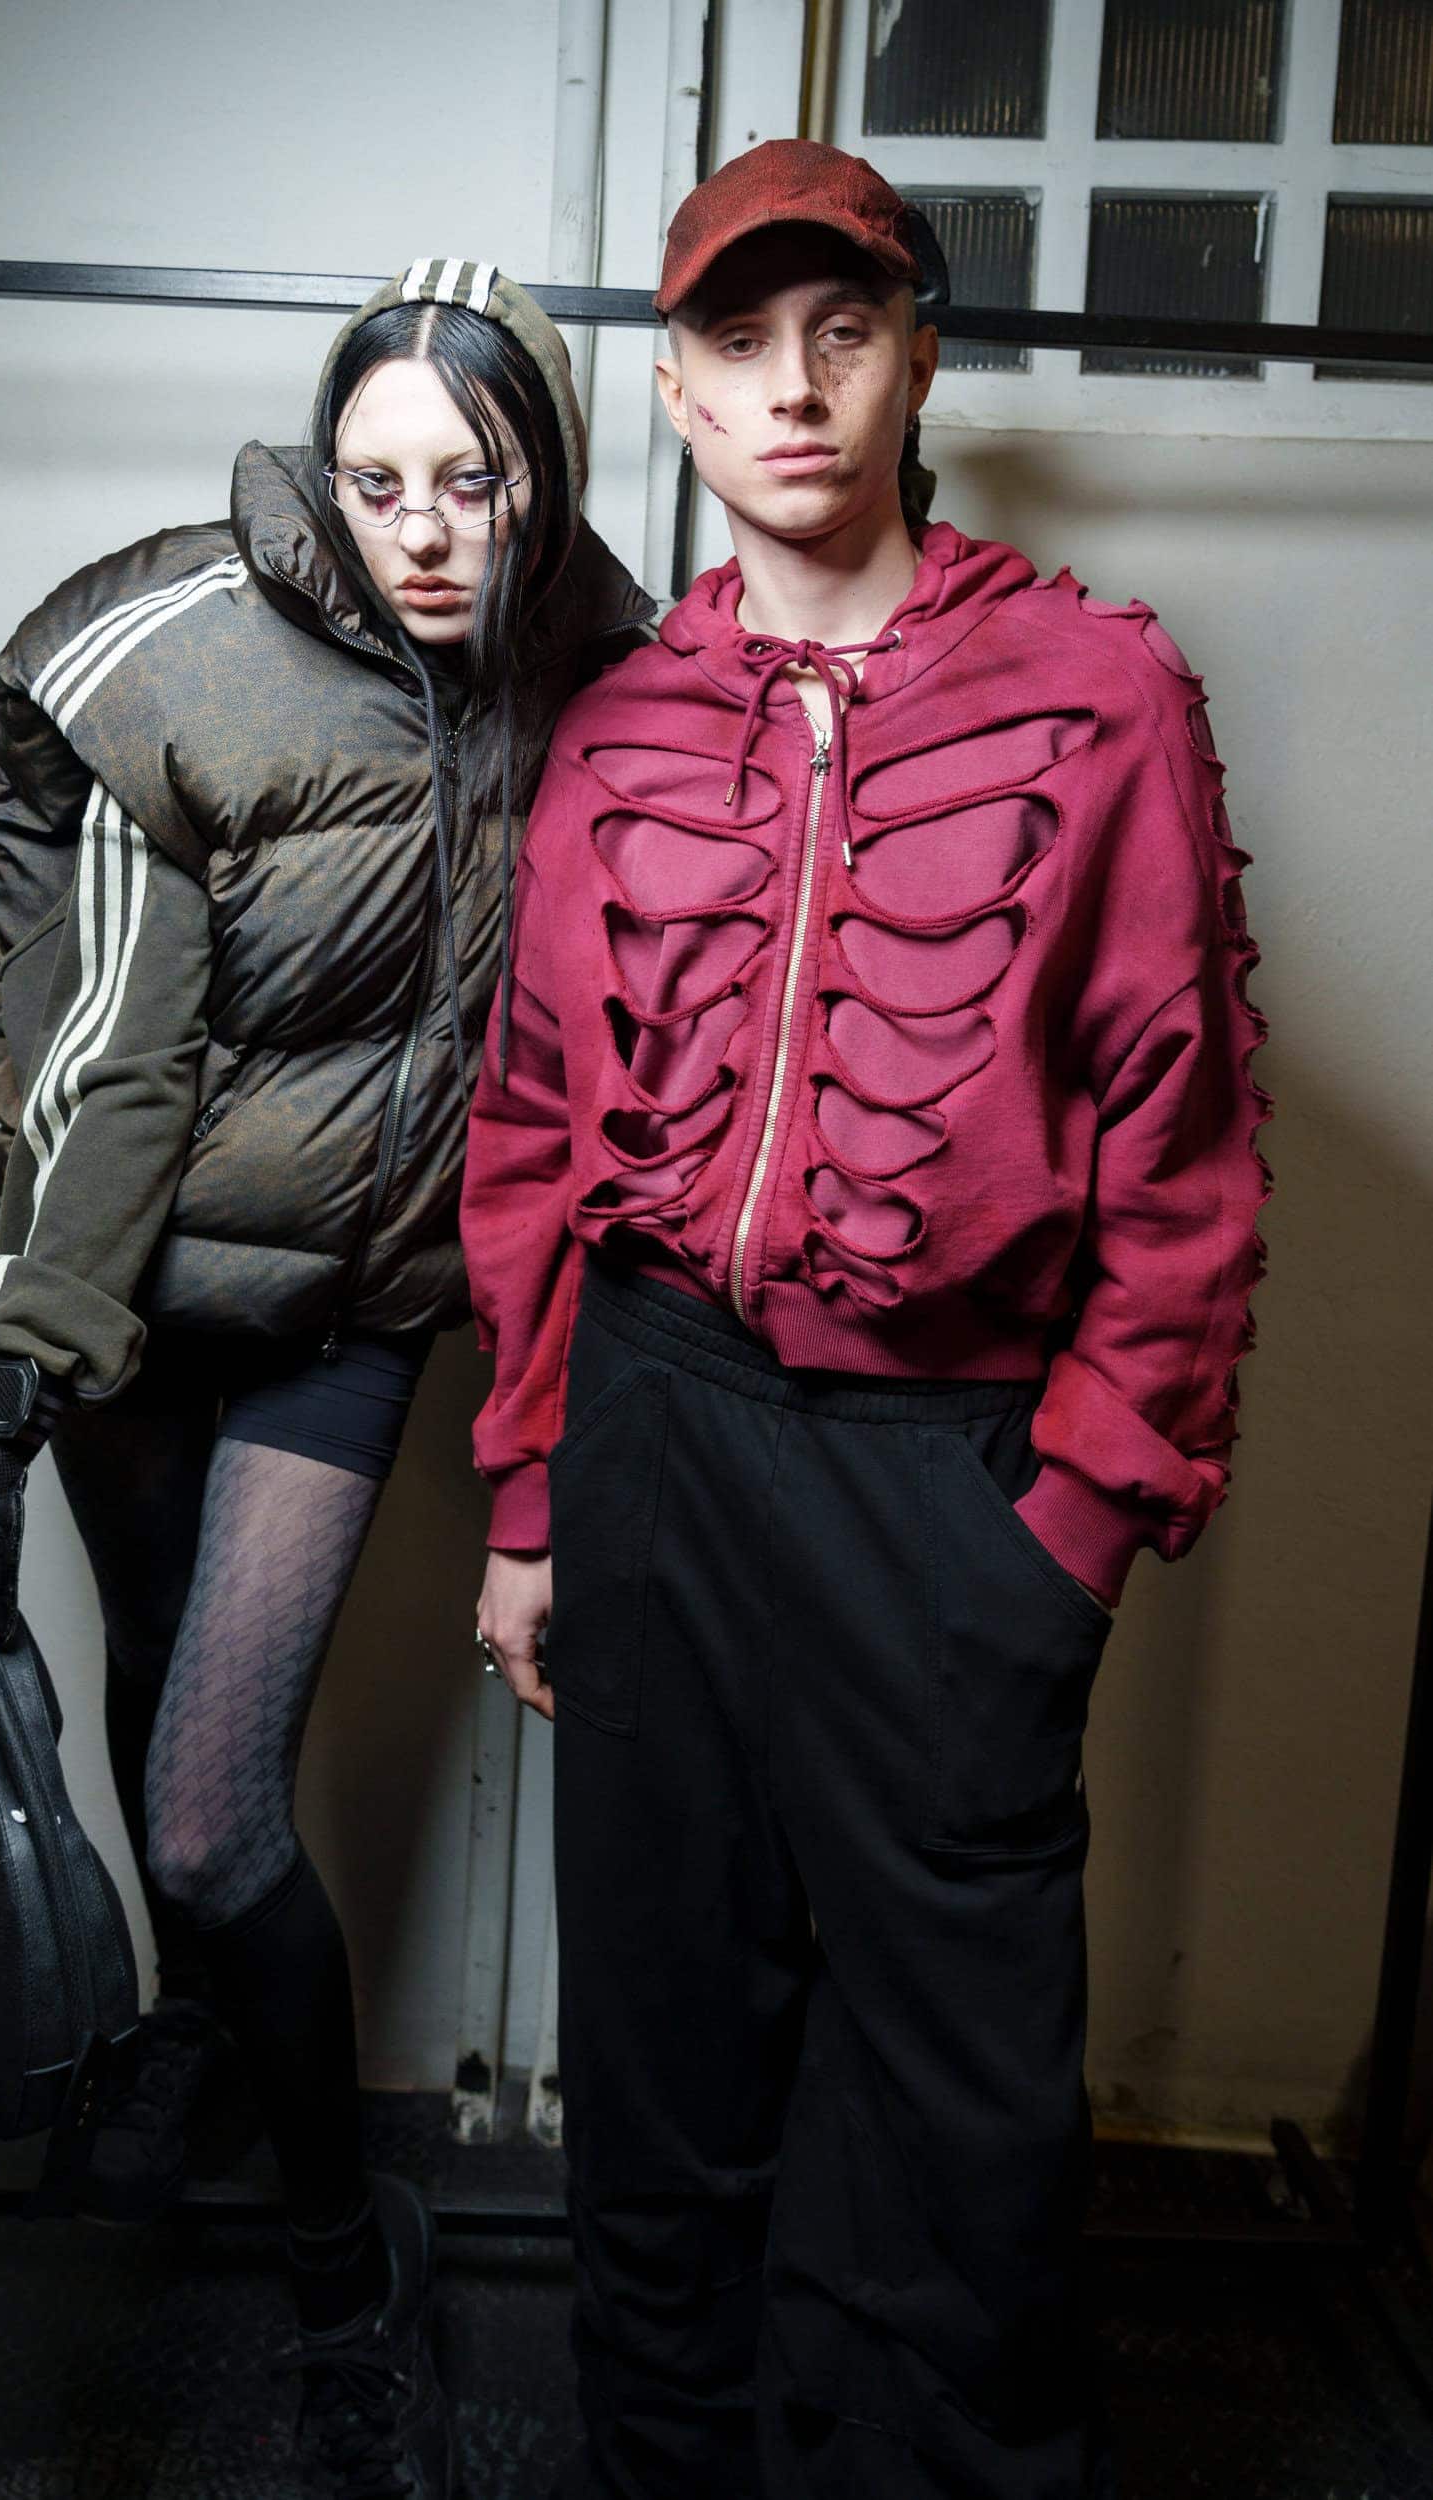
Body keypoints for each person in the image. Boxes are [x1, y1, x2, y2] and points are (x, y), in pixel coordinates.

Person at [466, 142, 1269, 2500]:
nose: (792, 388)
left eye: (842, 331)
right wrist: (525, 1491)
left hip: (944, 1472)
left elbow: (1183, 1151)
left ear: (919, 357)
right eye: (736, 344)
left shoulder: (1099, 697)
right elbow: (529, 1132)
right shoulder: (615, 723)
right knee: (658, 2070)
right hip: (649, 1440)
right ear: (676, 397)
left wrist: (1066, 1536)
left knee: (952, 2118)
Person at [0, 255, 651, 2499]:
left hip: (344, 1315)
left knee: (207, 1812)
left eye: (472, 480)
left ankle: (343, 2266)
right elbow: (115, 1059)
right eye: (376, 480)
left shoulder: (608, 671)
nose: (422, 530)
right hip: (130, 1296)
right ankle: (197, 2035)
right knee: (144, 1688)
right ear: (326, 472)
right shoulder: (186, 661)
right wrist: (3, 1408)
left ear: (544, 473)